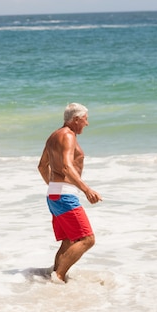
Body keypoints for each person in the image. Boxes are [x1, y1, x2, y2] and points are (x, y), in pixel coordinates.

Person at [38, 103, 102, 284]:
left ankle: (55, 273)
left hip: (55, 195)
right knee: (87, 239)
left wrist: (54, 189)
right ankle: (58, 278)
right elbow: (66, 166)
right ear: (76, 119)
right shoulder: (68, 135)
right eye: (85, 119)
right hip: (65, 195)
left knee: (68, 240)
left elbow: (42, 166)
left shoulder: (54, 135)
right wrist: (86, 189)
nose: (87, 123)